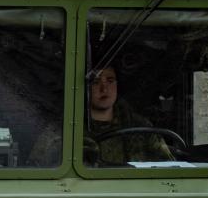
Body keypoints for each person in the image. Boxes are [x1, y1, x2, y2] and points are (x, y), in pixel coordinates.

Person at [31, 64, 173, 166]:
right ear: (83, 88)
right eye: (95, 82)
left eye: (110, 81)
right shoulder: (64, 128)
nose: (104, 88)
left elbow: (168, 168)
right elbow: (37, 168)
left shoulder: (140, 127)